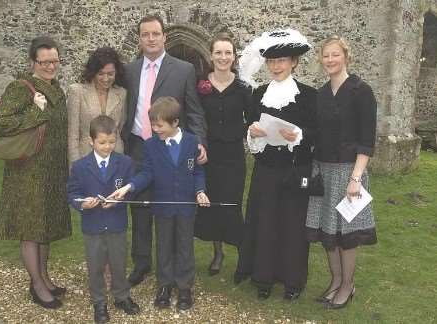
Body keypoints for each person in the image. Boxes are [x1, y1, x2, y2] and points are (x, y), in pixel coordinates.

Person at [121, 14, 207, 287]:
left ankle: (171, 269)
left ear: (164, 37)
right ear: (140, 38)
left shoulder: (183, 69)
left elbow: (194, 110)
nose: (150, 39)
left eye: (155, 34)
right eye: (145, 34)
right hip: (138, 147)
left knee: (173, 209)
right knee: (141, 209)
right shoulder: (130, 70)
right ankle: (141, 262)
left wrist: (200, 140)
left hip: (171, 151)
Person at [0, 36, 71, 309]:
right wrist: (36, 112)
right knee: (31, 230)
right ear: (32, 62)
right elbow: (0, 124)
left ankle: (45, 279)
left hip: (52, 174)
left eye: (54, 61)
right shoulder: (20, 88)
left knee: (45, 228)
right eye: (44, 62)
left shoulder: (56, 88)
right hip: (28, 174)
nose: (50, 66)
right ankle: (36, 286)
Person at [237, 29, 317, 300]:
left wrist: (299, 135)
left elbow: (316, 133)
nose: (276, 66)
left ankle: (293, 282)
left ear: (294, 62)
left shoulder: (308, 95)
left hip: (296, 169)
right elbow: (250, 125)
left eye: (282, 60)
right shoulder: (258, 94)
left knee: (293, 226)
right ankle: (263, 279)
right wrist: (253, 132)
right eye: (271, 61)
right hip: (267, 170)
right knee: (265, 223)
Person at [111, 97, 210, 311]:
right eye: (153, 125)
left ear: (175, 122)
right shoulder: (151, 145)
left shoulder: (192, 142)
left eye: (159, 125)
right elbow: (147, 173)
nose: (155, 129)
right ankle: (164, 286)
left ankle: (184, 287)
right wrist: (129, 187)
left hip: (185, 207)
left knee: (185, 246)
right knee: (164, 245)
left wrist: (200, 191)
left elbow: (198, 171)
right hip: (163, 207)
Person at [306, 35, 377, 309]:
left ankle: (348, 285)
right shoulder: (321, 94)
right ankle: (335, 281)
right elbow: (315, 132)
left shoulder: (362, 91)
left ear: (346, 56)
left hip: (350, 172)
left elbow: (367, 140)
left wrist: (356, 178)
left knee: (346, 235)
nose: (330, 60)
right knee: (328, 232)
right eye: (326, 56)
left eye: (335, 55)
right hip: (323, 170)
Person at [67, 115, 140, 323]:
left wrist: (120, 198)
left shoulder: (125, 163)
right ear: (91, 141)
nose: (108, 146)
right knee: (95, 265)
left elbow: (131, 190)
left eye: (111, 142)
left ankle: (122, 296)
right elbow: (72, 193)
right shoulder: (80, 166)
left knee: (119, 262)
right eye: (102, 142)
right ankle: (99, 301)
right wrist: (83, 203)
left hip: (117, 224)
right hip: (93, 226)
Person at [193, 33, 251, 280]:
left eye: (228, 52)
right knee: (212, 206)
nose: (223, 57)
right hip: (209, 156)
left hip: (233, 157)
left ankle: (243, 258)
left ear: (234, 57)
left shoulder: (243, 88)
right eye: (218, 52)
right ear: (211, 55)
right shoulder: (200, 86)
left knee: (232, 205)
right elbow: (194, 117)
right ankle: (217, 254)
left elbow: (253, 120)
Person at [67, 46, 126, 164]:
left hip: (115, 159)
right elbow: (72, 136)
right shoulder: (77, 91)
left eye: (110, 74)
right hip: (85, 158)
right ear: (93, 72)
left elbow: (120, 128)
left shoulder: (122, 93)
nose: (106, 78)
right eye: (101, 74)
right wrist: (75, 168)